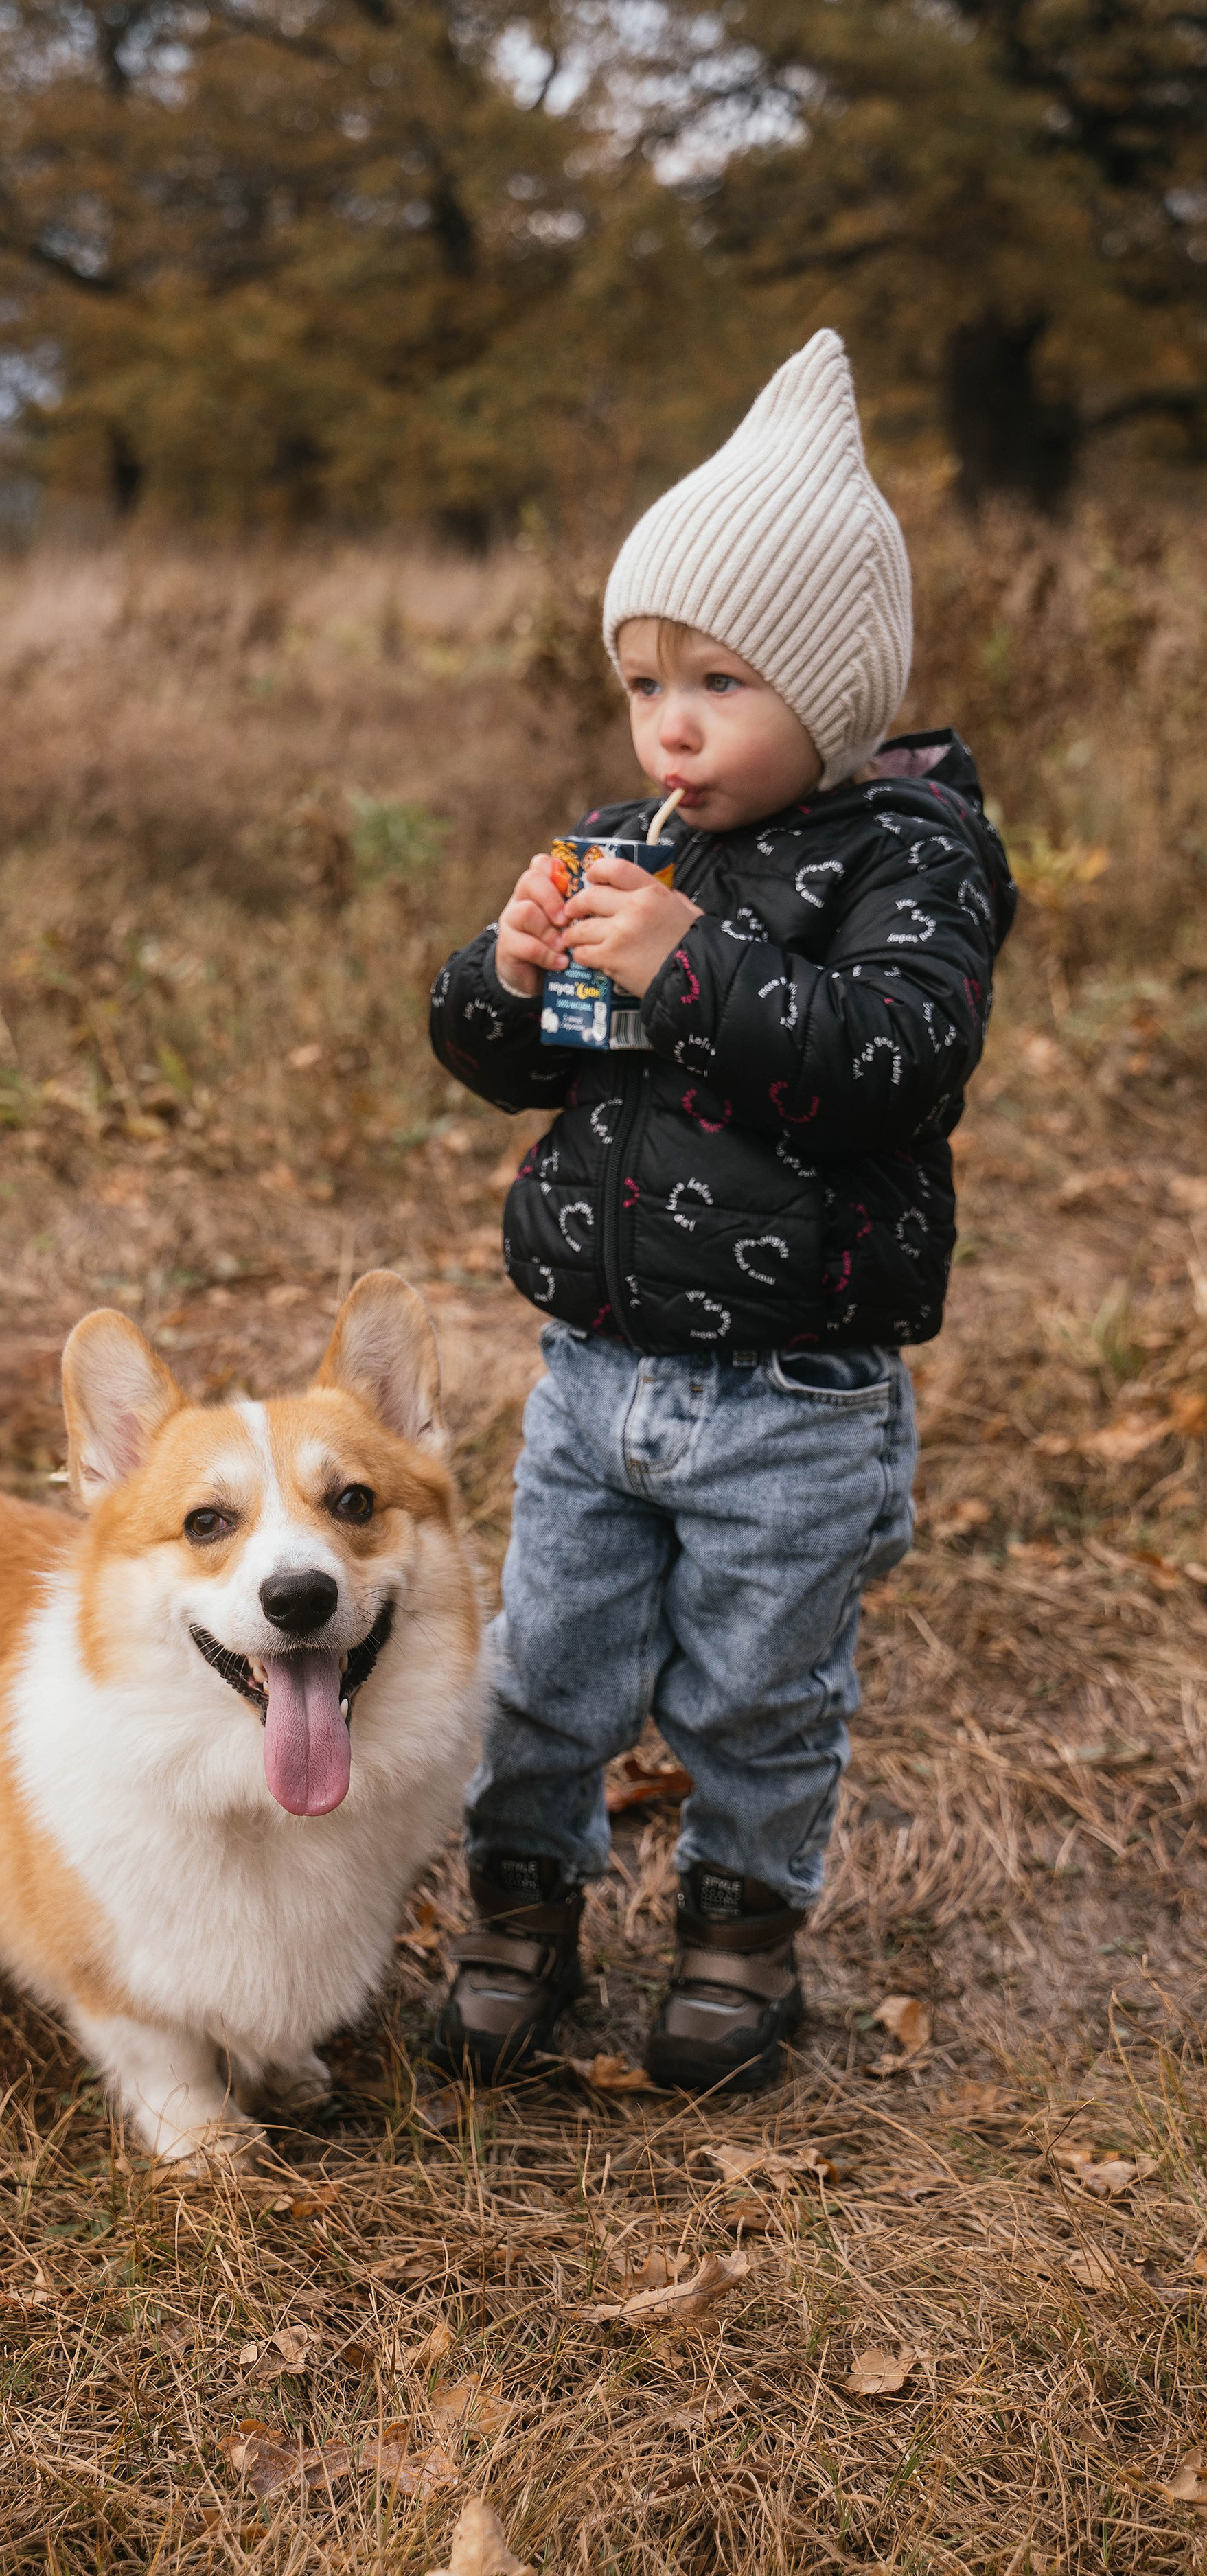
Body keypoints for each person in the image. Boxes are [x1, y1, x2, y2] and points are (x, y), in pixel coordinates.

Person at [426, 328, 1016, 2093]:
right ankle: (516, 1918)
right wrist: (505, 972)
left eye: (717, 681)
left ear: (830, 693)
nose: (667, 724)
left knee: (759, 1692)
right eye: (640, 683)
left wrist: (689, 963)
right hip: (596, 1372)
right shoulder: (635, 843)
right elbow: (515, 1070)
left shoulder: (909, 854)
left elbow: (891, 1063)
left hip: (795, 1393)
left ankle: (737, 1941)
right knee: (541, 1672)